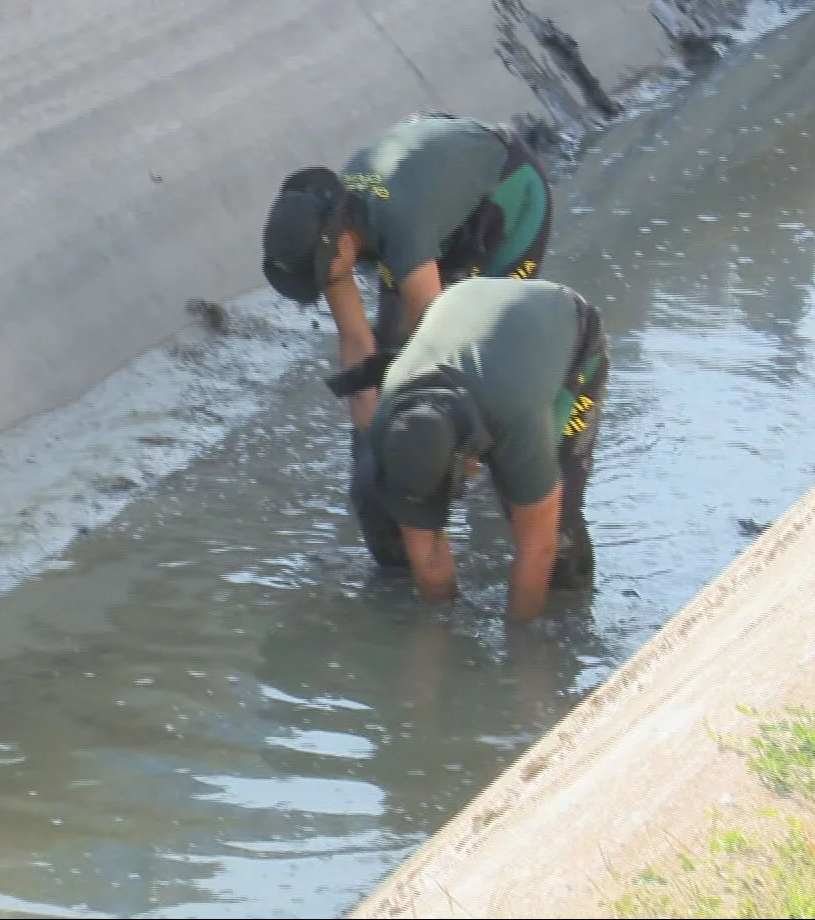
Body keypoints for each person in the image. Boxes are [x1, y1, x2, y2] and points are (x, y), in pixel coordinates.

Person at [259, 111, 554, 568]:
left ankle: (499, 477)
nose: (325, 285)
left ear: (339, 245)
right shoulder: (333, 227)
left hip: (507, 198)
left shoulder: (398, 223)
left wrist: (433, 463)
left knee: (480, 355)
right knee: (392, 360)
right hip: (432, 204)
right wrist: (370, 456)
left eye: (322, 276)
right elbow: (358, 344)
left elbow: (443, 351)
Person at [357, 277, 608, 621]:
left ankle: (573, 613)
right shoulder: (390, 414)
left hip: (564, 325)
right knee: (374, 504)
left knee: (555, 527)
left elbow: (538, 549)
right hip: (465, 300)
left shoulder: (518, 421)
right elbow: (424, 546)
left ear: (470, 459)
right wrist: (441, 628)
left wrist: (518, 645)